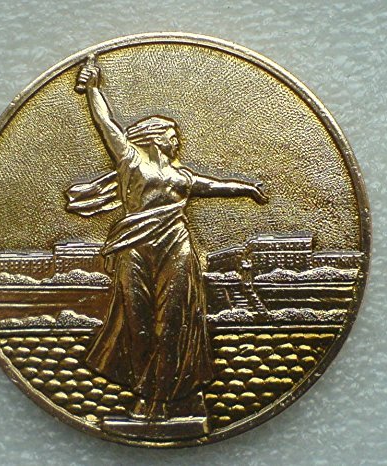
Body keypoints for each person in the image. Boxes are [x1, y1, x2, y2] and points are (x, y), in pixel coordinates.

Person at [67, 55, 268, 421]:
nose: (178, 141)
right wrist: (93, 89)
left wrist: (247, 188)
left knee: (175, 321)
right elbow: (106, 123)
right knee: (138, 322)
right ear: (157, 138)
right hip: (135, 248)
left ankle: (170, 396)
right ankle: (147, 394)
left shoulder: (181, 176)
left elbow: (214, 186)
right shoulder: (130, 161)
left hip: (177, 246)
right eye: (173, 135)